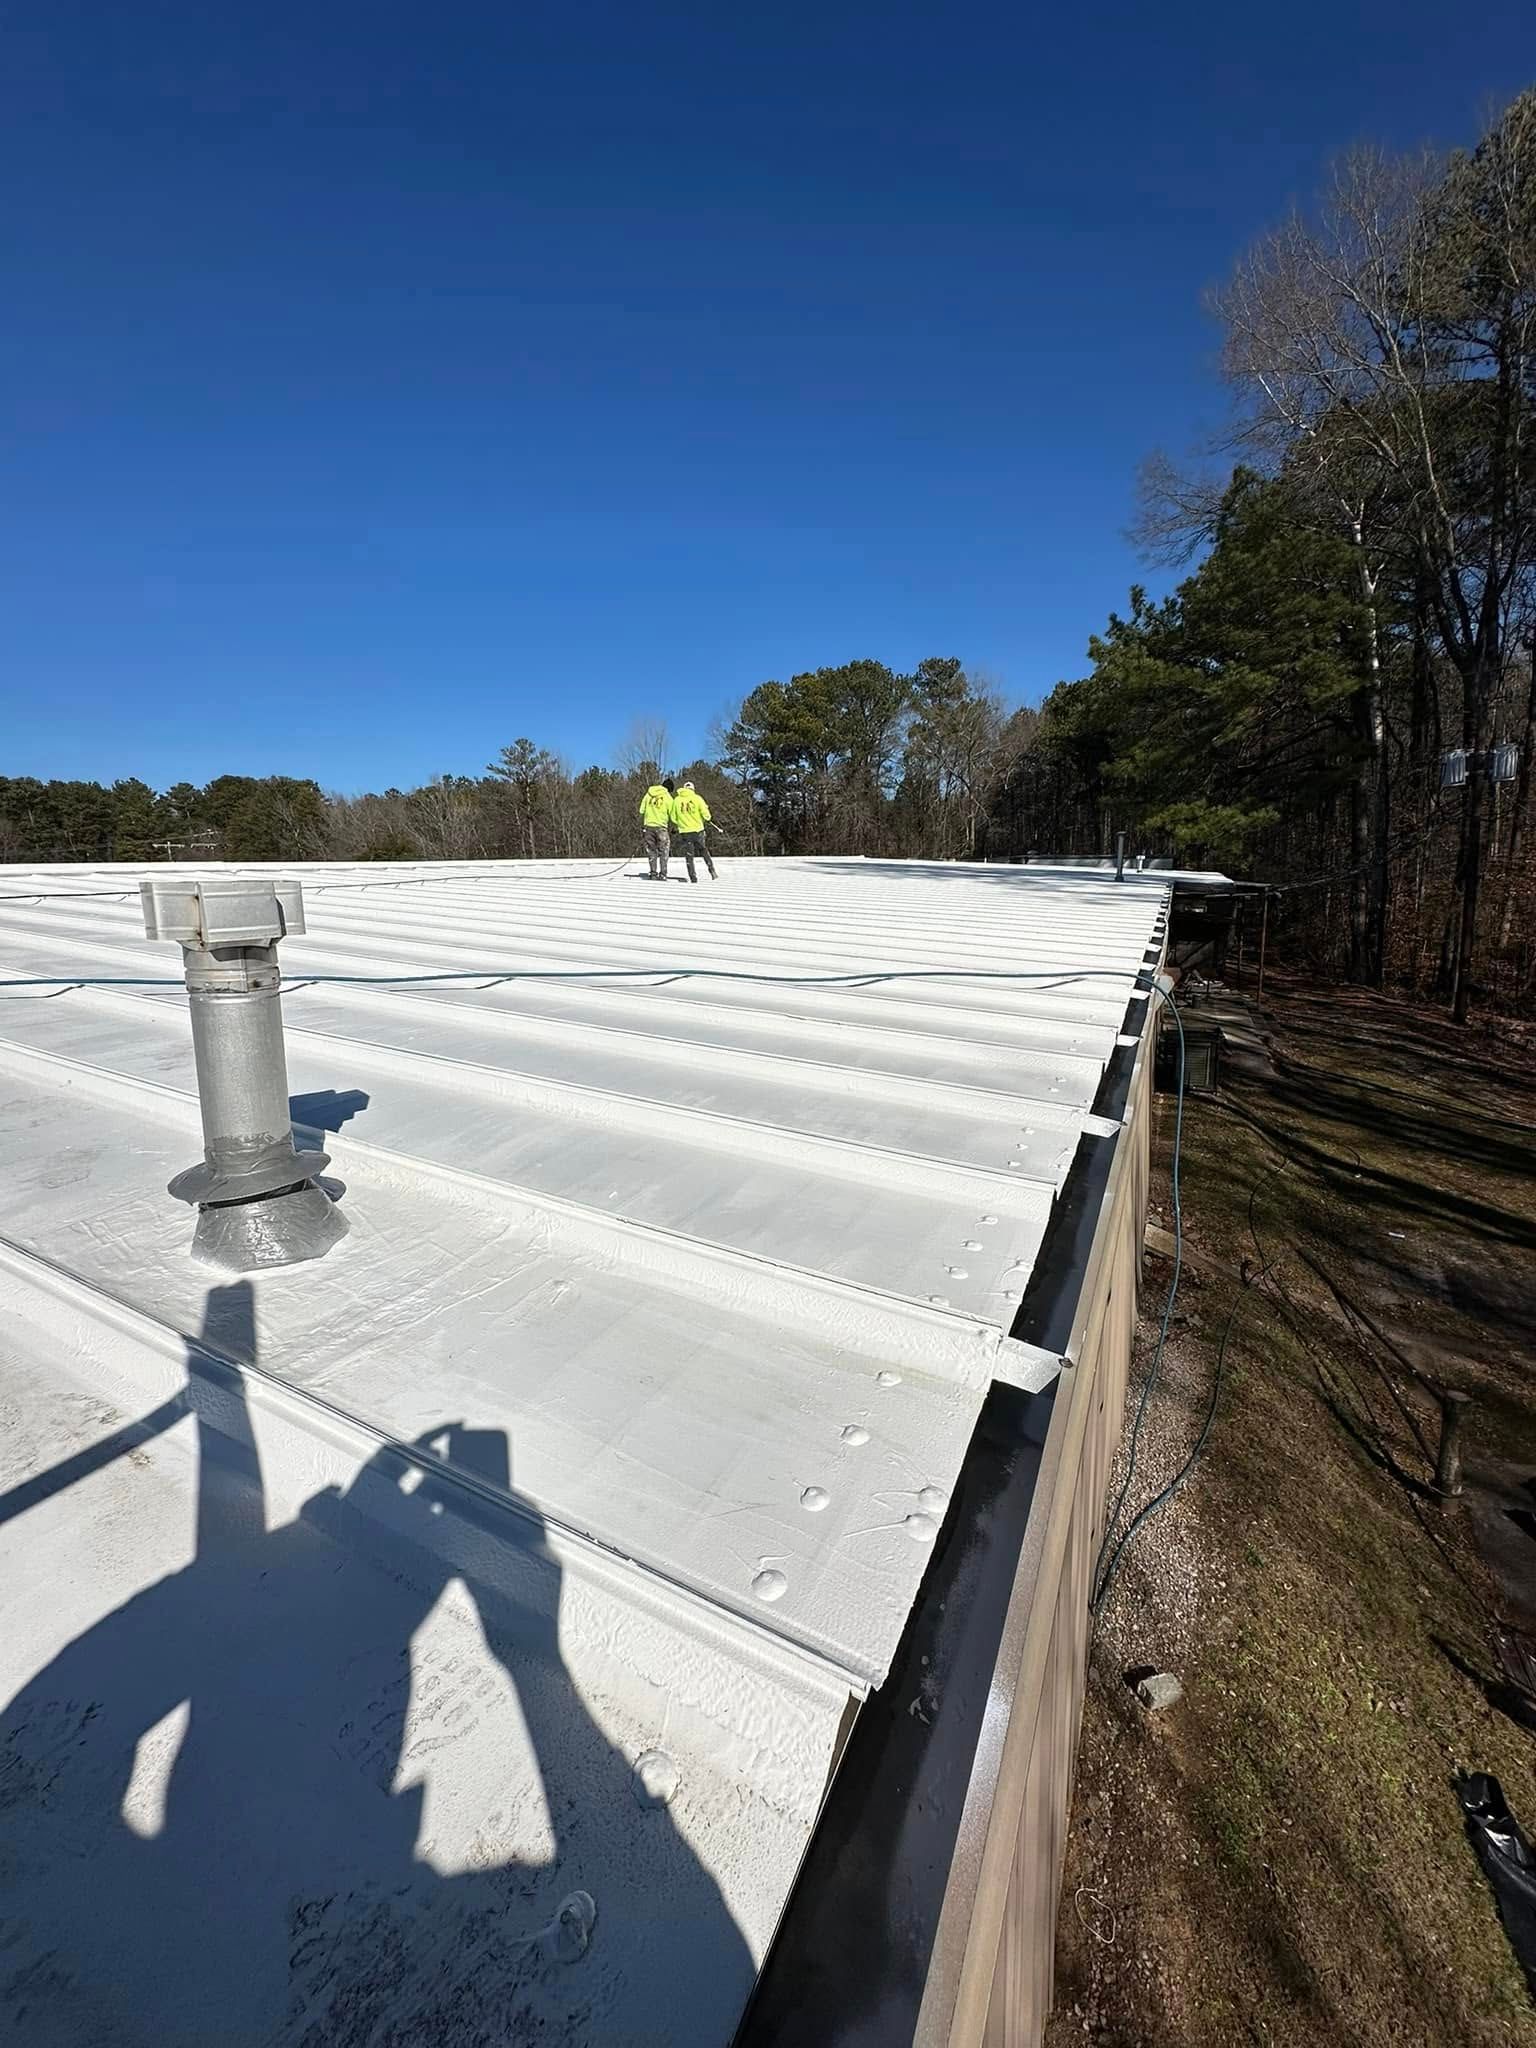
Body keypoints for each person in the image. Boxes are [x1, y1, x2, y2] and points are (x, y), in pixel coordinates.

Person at [669, 780, 720, 882]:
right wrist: (707, 818)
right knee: (703, 850)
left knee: (689, 855)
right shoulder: (697, 798)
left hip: (684, 831)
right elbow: (705, 813)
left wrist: (680, 823)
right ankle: (712, 870)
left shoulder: (676, 800)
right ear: (693, 789)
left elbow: (673, 817)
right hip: (698, 830)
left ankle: (693, 877)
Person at [638, 775, 674, 880]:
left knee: (651, 851)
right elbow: (672, 814)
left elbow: (641, 810)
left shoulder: (648, 794)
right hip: (661, 827)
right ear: (669, 789)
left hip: (648, 826)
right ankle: (663, 874)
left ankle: (653, 873)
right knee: (664, 851)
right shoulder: (667, 797)